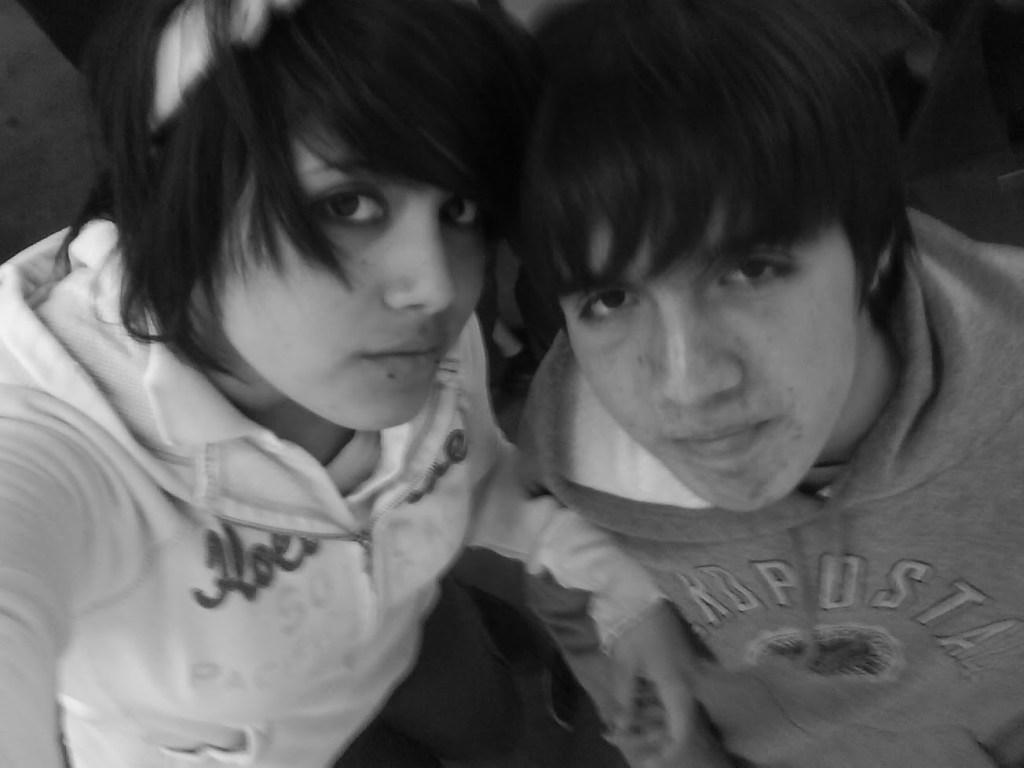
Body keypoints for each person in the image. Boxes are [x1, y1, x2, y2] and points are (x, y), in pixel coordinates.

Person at [0, 0, 698, 766]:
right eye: (349, 203)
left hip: (412, 628)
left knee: (499, 732)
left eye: (460, 208)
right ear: (175, 192)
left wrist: (619, 591)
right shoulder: (52, 430)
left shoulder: (400, 336)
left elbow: (472, 475)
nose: (436, 287)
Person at [516, 0, 1024, 765]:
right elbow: (569, 567)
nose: (687, 388)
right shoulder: (576, 439)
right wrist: (633, 618)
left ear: (876, 252)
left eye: (751, 269)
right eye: (611, 299)